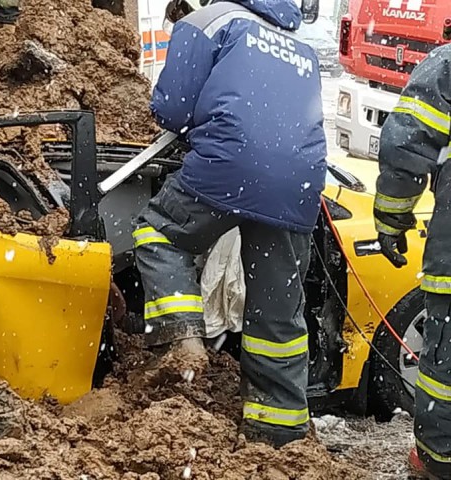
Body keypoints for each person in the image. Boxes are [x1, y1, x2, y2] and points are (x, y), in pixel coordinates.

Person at [133, 0, 327, 447]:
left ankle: (182, 335)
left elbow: (171, 108)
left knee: (159, 232)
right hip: (299, 183)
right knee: (277, 315)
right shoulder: (302, 48)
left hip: (228, 165)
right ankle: (279, 437)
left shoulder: (208, 21)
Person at [373, 44, 451, 480]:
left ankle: (438, 464)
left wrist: (390, 218)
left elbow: (406, 146)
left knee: (445, 368)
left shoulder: (447, 66)